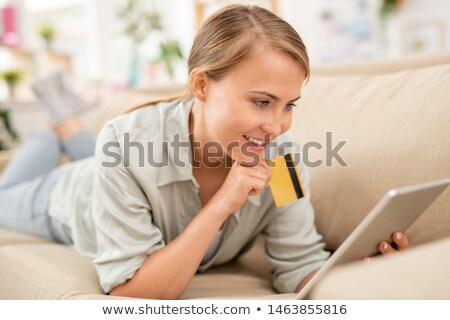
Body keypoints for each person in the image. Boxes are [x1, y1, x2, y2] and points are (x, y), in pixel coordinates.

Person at [0, 5, 408, 300]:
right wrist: (219, 207)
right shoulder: (124, 141)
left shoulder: (282, 160)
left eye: (290, 105)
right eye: (262, 102)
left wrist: (355, 279)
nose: (277, 126)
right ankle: (52, 129)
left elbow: (298, 263)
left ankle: (67, 128)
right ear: (201, 86)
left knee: (105, 153)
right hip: (64, 197)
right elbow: (133, 294)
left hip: (110, 161)